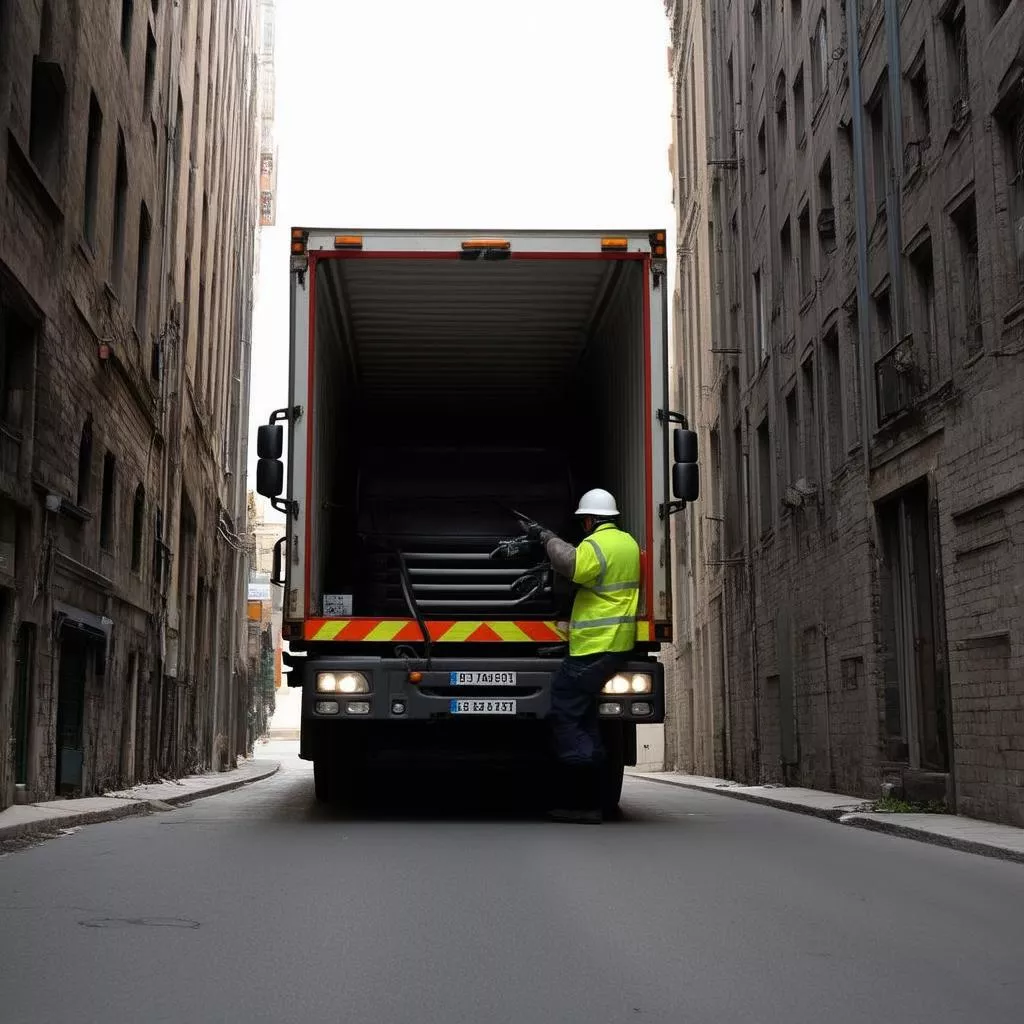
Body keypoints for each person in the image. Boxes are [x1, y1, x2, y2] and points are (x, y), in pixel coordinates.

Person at [521, 489, 640, 824]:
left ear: (589, 520)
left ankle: (581, 800)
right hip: (616, 644)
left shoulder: (595, 546)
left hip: (591, 647)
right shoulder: (628, 544)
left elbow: (571, 564)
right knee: (586, 718)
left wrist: (546, 538)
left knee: (565, 715)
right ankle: (595, 798)